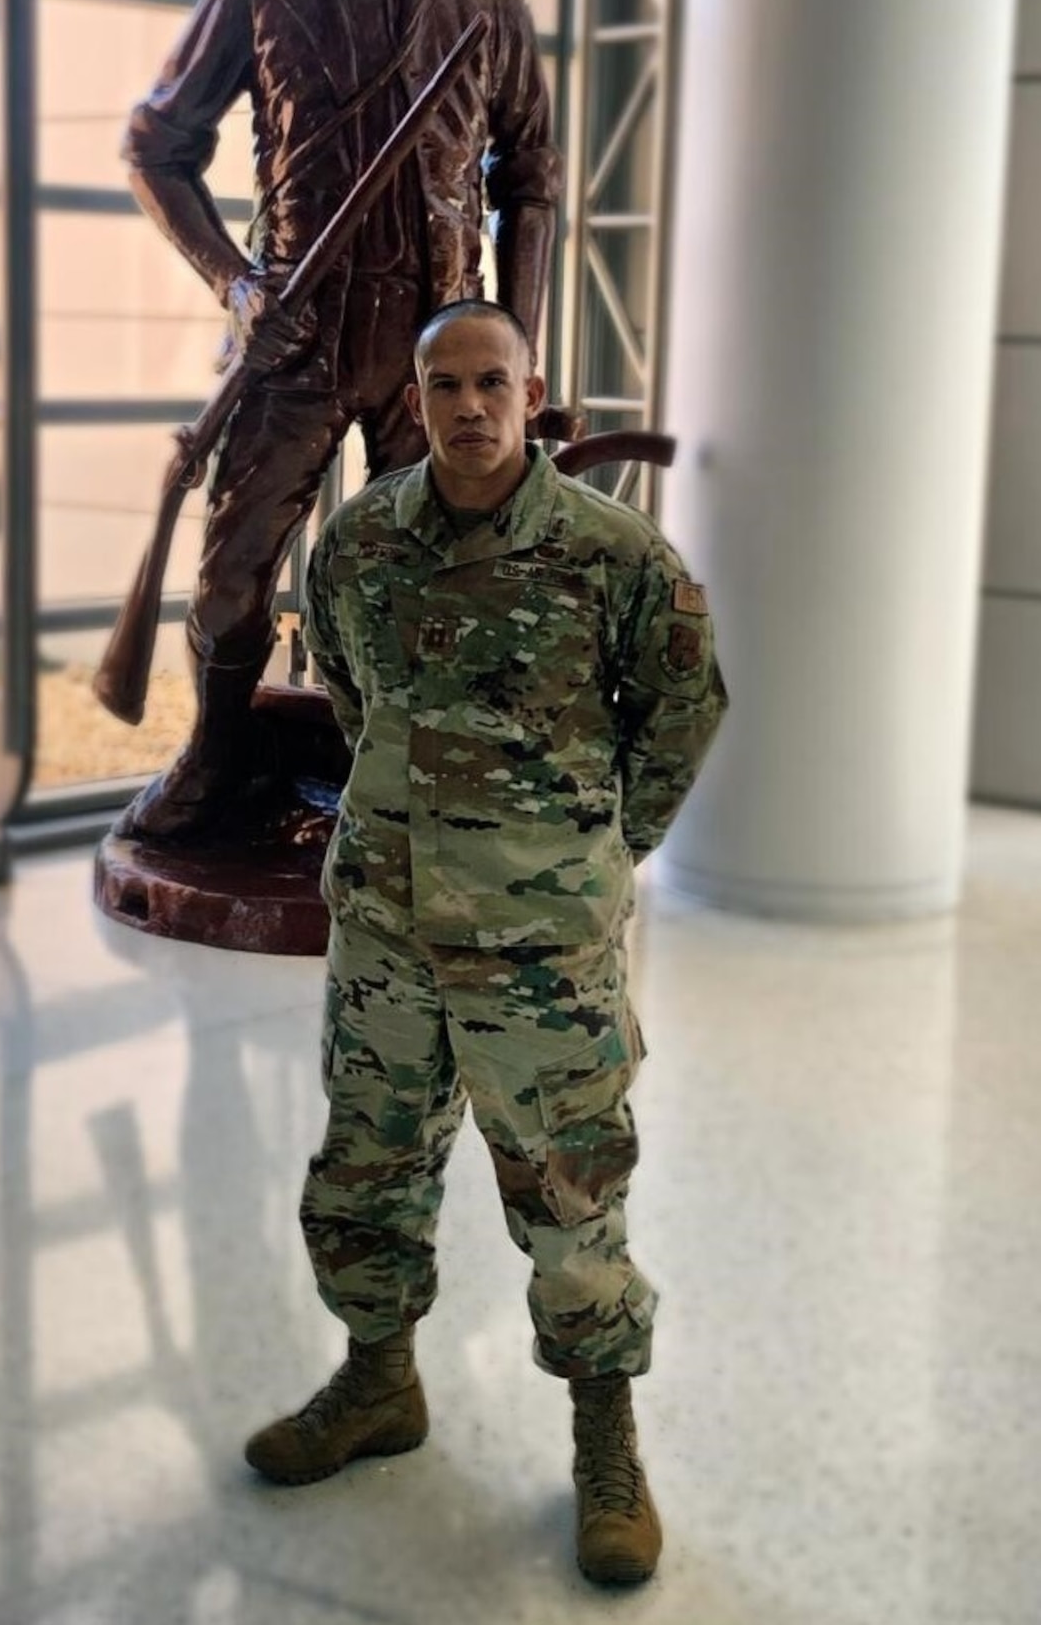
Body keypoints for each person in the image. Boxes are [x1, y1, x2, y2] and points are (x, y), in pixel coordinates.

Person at [244, 301, 728, 1587]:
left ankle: (605, 1438)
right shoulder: (354, 546)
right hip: (389, 934)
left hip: (541, 953)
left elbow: (682, 711)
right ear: (417, 393)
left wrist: (596, 850)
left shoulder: (613, 554)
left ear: (532, 389)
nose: (468, 406)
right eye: (445, 383)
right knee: (365, 1167)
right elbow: (353, 697)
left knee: (571, 1194)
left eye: (491, 382)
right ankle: (378, 1380)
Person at [114, 0, 562, 843]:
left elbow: (535, 179)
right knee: (233, 570)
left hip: (437, 355)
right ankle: (217, 761)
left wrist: (518, 344)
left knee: (436, 574)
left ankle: (399, 774)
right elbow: (155, 148)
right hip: (295, 336)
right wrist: (235, 284)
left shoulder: (487, 2)